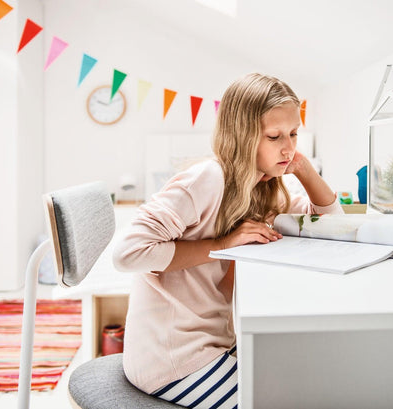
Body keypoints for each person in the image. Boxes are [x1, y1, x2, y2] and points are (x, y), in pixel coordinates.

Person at [112, 73, 343, 409]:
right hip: (171, 358)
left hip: (213, 343)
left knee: (305, 383)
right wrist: (224, 244)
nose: (289, 147)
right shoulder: (207, 179)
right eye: (275, 136)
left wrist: (305, 171)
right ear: (243, 136)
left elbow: (332, 225)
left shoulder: (264, 186)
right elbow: (126, 253)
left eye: (294, 134)